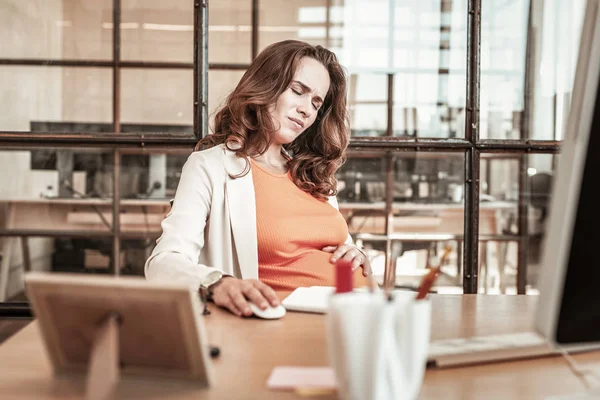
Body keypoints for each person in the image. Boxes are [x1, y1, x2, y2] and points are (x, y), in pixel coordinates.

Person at [145, 40, 372, 318]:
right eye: (297, 91)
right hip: (282, 327)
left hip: (354, 315)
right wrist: (217, 283)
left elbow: (335, 246)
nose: (306, 110)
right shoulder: (210, 166)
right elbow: (164, 262)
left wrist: (353, 253)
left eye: (316, 103)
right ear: (267, 85)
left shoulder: (313, 174)